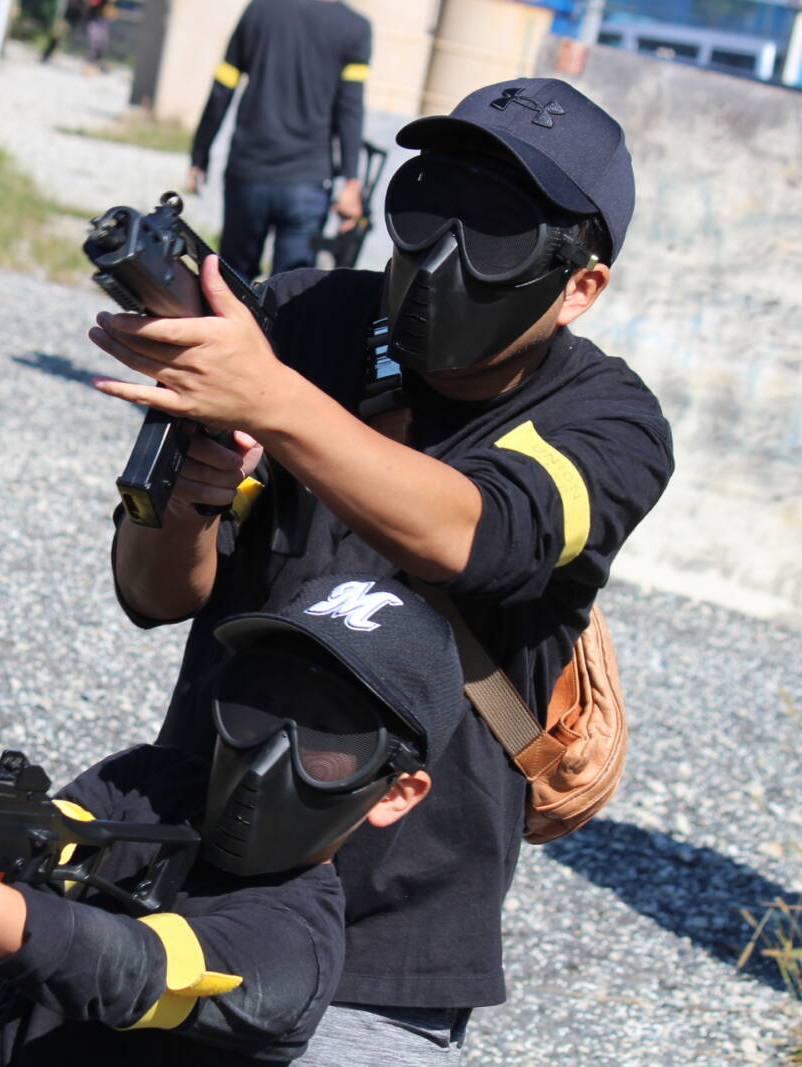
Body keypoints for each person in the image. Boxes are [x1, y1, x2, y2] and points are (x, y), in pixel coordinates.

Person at [89, 78, 675, 1061]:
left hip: (388, 946)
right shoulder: (304, 318)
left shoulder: (611, 423)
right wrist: (188, 496)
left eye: (495, 230)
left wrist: (271, 398)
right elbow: (155, 593)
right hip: (190, 886)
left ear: (580, 285)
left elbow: (473, 533)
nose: (442, 254)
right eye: (428, 204)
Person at [0, 574, 469, 1066]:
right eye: (263, 703)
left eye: (328, 738)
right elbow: (37, 846)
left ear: (397, 792)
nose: (270, 755)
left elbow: (136, 971)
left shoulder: (296, 948)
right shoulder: (145, 784)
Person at [188, 0, 372, 280]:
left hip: (248, 173)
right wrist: (351, 182)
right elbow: (350, 107)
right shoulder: (354, 27)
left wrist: (200, 154)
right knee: (292, 291)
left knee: (233, 282)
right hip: (308, 181)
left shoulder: (260, 10)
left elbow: (223, 87)